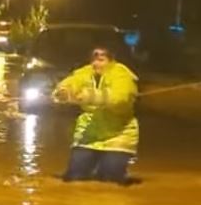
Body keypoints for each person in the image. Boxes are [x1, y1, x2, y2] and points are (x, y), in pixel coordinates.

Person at [53, 44, 139, 184]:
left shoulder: (122, 75)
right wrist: (63, 92)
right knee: (74, 177)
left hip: (118, 136)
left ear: (111, 61)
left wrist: (90, 96)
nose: (96, 63)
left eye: (101, 60)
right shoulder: (85, 72)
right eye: (94, 59)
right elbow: (72, 82)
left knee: (110, 180)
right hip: (89, 134)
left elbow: (119, 99)